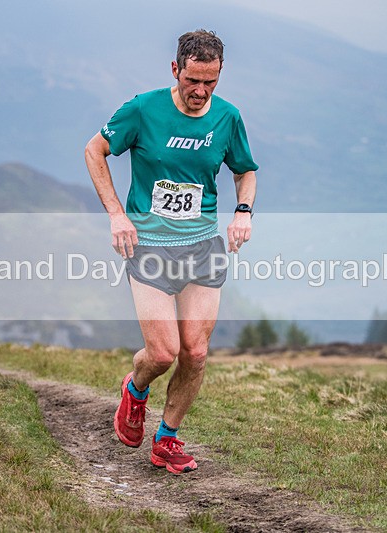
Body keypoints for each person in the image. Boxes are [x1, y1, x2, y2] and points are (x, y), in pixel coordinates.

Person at [84, 29, 258, 475]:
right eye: (192, 81)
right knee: (162, 353)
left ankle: (167, 440)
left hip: (202, 246)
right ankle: (136, 389)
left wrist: (243, 212)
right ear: (175, 70)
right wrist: (116, 215)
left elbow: (245, 171)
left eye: (211, 83)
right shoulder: (143, 109)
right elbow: (95, 150)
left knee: (195, 352)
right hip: (150, 247)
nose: (201, 92)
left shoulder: (227, 117)